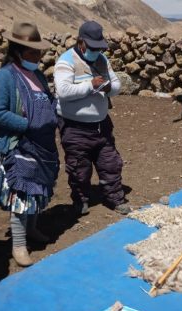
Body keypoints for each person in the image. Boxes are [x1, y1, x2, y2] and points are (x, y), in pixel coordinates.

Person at [0, 22, 59, 267]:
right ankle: (18, 244)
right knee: (22, 194)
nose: (38, 57)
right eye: (32, 52)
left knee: (39, 188)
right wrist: (27, 125)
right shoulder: (5, 78)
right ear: (17, 51)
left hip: (41, 143)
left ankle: (32, 229)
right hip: (19, 145)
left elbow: (45, 100)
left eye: (39, 52)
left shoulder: (37, 75)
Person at [54, 21, 131, 216]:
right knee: (79, 167)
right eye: (93, 47)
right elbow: (63, 91)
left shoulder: (103, 60)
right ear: (81, 42)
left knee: (110, 163)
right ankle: (81, 200)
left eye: (99, 47)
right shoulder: (66, 61)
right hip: (75, 127)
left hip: (101, 125)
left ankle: (115, 198)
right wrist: (90, 85)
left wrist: (108, 88)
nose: (97, 51)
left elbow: (116, 84)